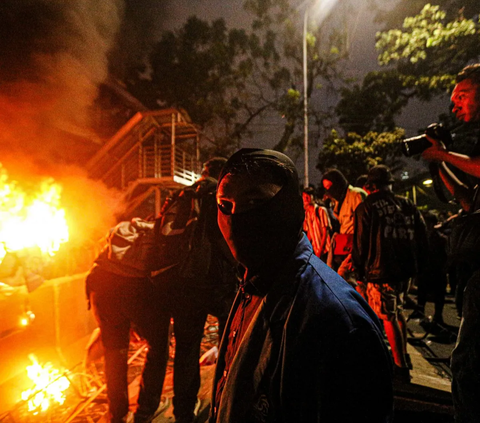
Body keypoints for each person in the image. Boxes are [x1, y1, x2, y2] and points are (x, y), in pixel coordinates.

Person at [210, 148, 393, 423]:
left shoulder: (338, 323)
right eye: (225, 205)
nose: (236, 220)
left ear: (289, 206)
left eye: (253, 202)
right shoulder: (252, 284)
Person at [150, 157, 237, 423]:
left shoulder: (181, 195)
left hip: (182, 285)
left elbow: (158, 235)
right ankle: (226, 403)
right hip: (217, 284)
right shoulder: (218, 196)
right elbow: (225, 238)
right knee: (230, 344)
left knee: (186, 350)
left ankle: (184, 412)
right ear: (221, 175)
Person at [422, 63, 480, 422]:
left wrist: (443, 155)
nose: (455, 103)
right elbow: (463, 198)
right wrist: (439, 158)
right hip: (471, 271)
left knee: (469, 365)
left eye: (462, 94)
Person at [86, 219, 170, 423]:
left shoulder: (121, 234)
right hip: (135, 288)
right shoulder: (158, 237)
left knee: (114, 353)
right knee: (158, 347)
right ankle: (145, 411)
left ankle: (117, 414)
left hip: (100, 283)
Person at [352, 165, 427, 383]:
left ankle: (399, 367)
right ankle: (404, 356)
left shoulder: (367, 207)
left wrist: (359, 273)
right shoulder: (407, 205)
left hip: (381, 271)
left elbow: (360, 243)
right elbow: (422, 238)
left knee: (388, 317)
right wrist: (418, 266)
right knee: (399, 312)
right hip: (405, 271)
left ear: (370, 186)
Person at [321, 168, 367, 288]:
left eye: (330, 187)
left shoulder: (356, 195)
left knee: (343, 277)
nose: (329, 191)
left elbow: (364, 224)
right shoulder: (339, 200)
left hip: (356, 247)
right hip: (345, 247)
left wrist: (358, 253)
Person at [302, 186, 331, 261]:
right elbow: (309, 233)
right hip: (316, 249)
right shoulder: (307, 214)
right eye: (304, 197)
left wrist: (321, 249)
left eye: (308, 196)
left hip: (326, 249)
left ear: (313, 197)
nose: (306, 199)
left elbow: (326, 231)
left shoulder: (321, 210)